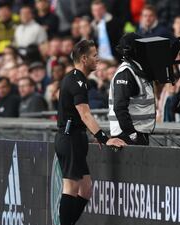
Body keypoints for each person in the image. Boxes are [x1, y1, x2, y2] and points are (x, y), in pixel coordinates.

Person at [55, 40, 126, 225]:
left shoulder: (77, 79)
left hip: (76, 138)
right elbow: (85, 114)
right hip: (69, 138)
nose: (98, 59)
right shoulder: (76, 80)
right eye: (94, 55)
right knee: (71, 187)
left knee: (85, 189)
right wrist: (104, 138)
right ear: (84, 58)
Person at [108, 33, 156, 145]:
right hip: (127, 137)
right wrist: (132, 134)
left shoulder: (137, 70)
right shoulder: (126, 73)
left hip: (137, 134)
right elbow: (119, 107)